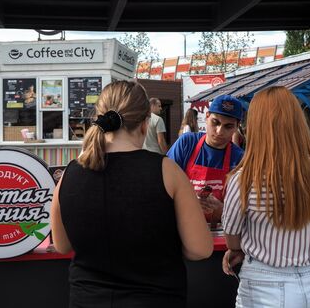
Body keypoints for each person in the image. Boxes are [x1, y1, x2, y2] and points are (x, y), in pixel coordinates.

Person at [50, 81, 212, 308]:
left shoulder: (70, 174)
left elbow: (61, 245)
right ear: (146, 124)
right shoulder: (167, 171)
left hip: (87, 300)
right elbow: (200, 248)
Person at [221, 87, 310, 308]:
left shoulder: (244, 180)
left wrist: (237, 250)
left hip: (264, 284)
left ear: (256, 127)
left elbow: (232, 238)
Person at [167, 95, 244, 224]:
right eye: (216, 122)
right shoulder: (187, 143)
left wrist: (221, 209)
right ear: (207, 117)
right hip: (182, 226)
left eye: (228, 126)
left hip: (220, 230)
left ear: (237, 127)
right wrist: (187, 201)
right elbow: (166, 185)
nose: (219, 131)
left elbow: (242, 210)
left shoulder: (240, 159)